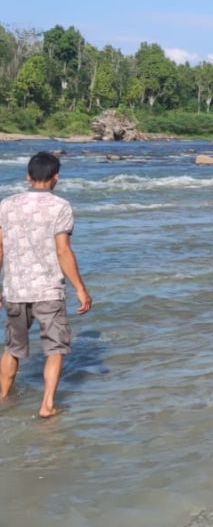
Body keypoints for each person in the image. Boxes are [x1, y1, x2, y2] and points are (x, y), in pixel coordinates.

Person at [0, 152, 92, 419]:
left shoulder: (6, 205)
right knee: (55, 349)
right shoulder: (60, 206)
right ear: (56, 178)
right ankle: (47, 405)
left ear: (28, 176)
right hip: (47, 289)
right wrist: (80, 288)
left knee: (13, 348)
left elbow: (1, 248)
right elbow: (63, 251)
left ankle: (3, 397)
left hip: (15, 288)